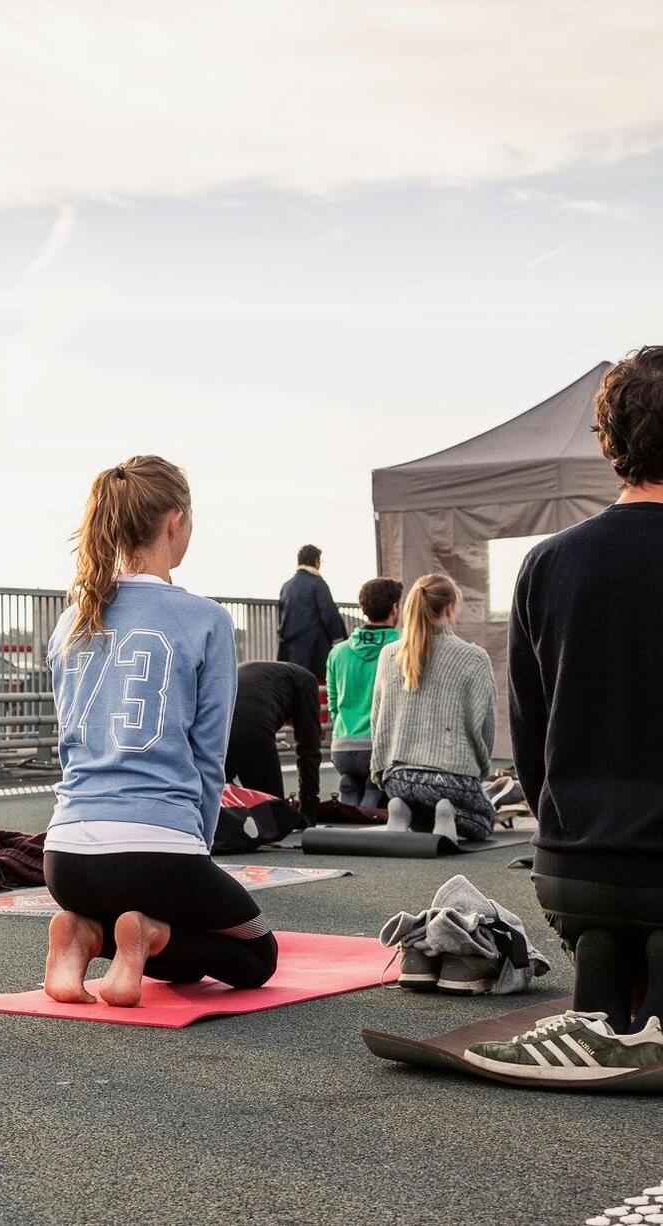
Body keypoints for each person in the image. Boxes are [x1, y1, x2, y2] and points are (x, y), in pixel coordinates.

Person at [483, 345, 663, 1067]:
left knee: (613, 923)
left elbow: (529, 739)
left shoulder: (547, 563)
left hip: (571, 869)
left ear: (609, 443)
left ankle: (600, 1004)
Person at [42, 456, 277, 1008]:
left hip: (66, 857)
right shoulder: (206, 619)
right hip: (159, 848)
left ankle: (86, 935)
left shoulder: (72, 617)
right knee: (256, 955)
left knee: (180, 964)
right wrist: (194, 853)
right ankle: (146, 934)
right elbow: (209, 754)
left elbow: (68, 740)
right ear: (176, 521)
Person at [370, 574, 496, 843]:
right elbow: (486, 726)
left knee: (419, 805)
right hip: (452, 779)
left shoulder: (389, 655)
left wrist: (382, 774)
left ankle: (403, 809)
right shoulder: (474, 657)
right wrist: (481, 769)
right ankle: (446, 811)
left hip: (399, 778)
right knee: (484, 820)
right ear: (450, 607)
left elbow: (377, 720)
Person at [324, 578, 402, 808]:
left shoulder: (338, 652)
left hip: (342, 747)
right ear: (395, 608)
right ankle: (372, 787)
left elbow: (333, 704)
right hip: (378, 749)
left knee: (352, 779)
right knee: (377, 785)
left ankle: (351, 784)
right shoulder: (404, 647)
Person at [225, 659, 322, 820]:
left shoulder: (269, 679)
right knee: (271, 813)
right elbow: (309, 749)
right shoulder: (306, 681)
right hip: (252, 722)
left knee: (218, 798)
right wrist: (309, 805)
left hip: (217, 722)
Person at [276, 544, 346, 680]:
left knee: (296, 685)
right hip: (315, 649)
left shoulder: (286, 586)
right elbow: (328, 613)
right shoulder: (318, 583)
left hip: (291, 651)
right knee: (316, 688)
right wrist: (340, 639)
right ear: (316, 561)